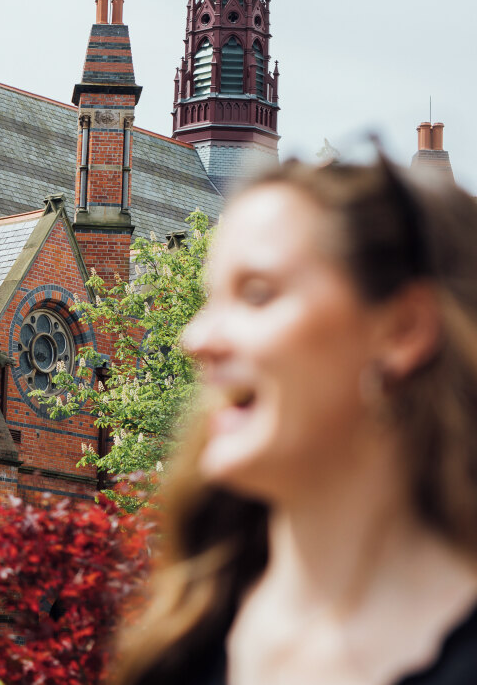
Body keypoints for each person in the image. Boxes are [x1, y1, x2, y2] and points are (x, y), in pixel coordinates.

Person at [115, 158, 477, 685]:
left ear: (401, 329)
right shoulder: (179, 646)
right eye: (211, 298)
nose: (195, 339)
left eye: (256, 293)